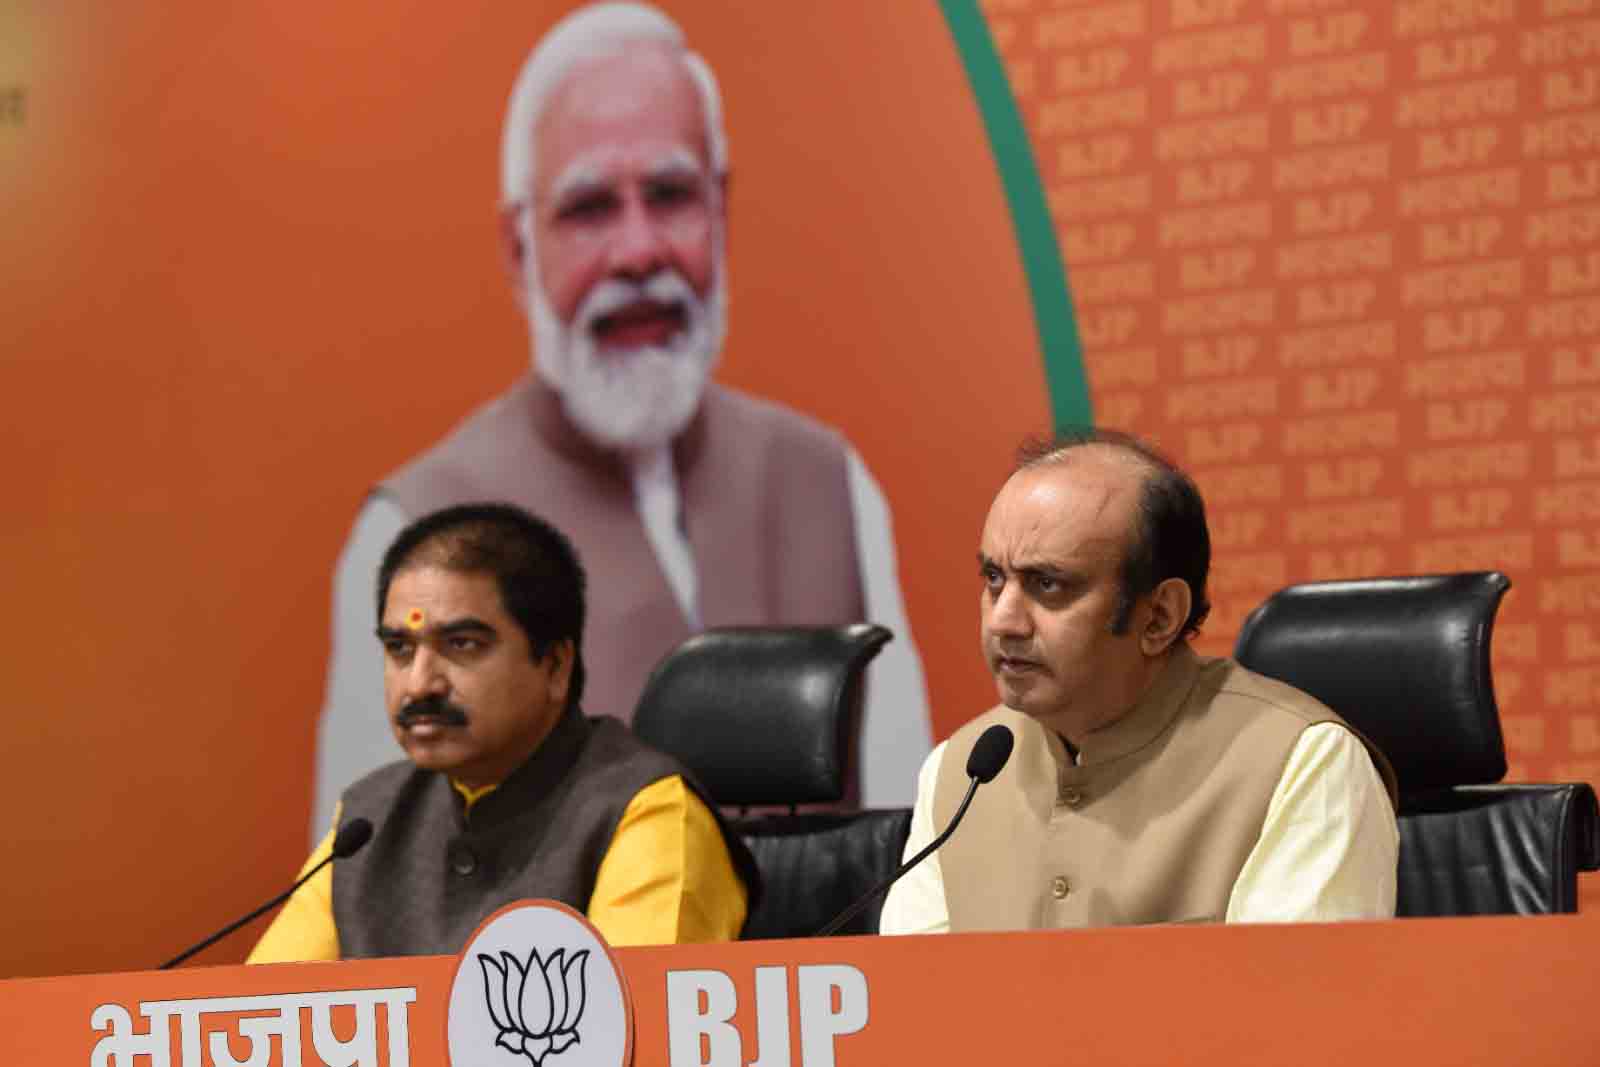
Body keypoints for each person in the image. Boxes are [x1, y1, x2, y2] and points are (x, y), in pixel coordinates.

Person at [310, 1, 931, 842]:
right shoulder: (411, 534)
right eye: (590, 207)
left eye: (670, 195)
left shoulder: (828, 483)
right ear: (519, 248)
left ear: (720, 207)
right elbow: (369, 898)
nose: (639, 252)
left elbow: (909, 858)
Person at [879, 430, 1399, 934]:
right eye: (994, 579)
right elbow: (919, 1007)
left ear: (1158, 617)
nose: (1003, 621)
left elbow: (1302, 1010)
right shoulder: (959, 773)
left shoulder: (1302, 762)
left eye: (1048, 585)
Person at [251, 503, 755, 961]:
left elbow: (636, 1041)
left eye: (462, 644)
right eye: (400, 649)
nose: (420, 683)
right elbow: (268, 1021)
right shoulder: (368, 820)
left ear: (555, 666)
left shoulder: (646, 811)